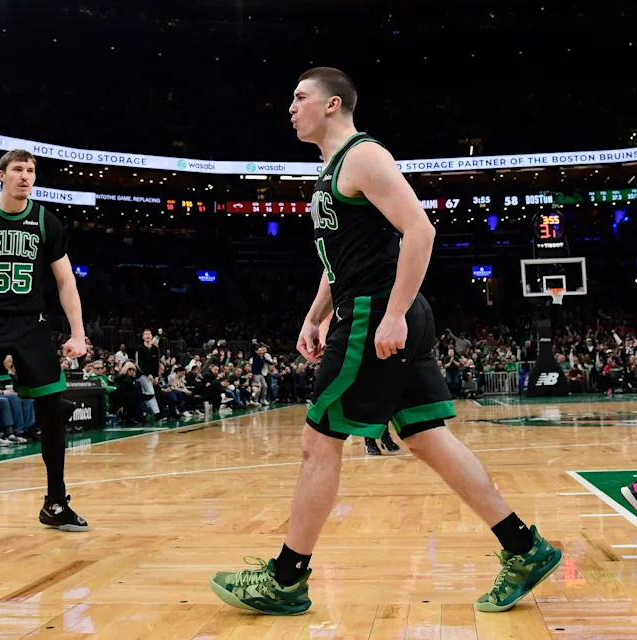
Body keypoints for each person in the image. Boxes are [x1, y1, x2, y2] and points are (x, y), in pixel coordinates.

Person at [210, 67, 560, 615]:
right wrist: (313, 315)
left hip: (378, 313)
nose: (291, 107)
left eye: (301, 97)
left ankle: (285, 578)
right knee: (426, 438)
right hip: (375, 307)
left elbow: (421, 230)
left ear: (333, 104)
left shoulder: (363, 157)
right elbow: (339, 264)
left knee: (318, 442)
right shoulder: (329, 170)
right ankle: (525, 548)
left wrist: (392, 314)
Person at [0, 149, 89, 546]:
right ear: (1, 175)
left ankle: (55, 503)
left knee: (53, 411)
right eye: (18, 170)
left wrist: (77, 332)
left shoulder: (46, 221)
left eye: (31, 171)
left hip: (32, 326)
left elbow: (65, 281)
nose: (25, 177)